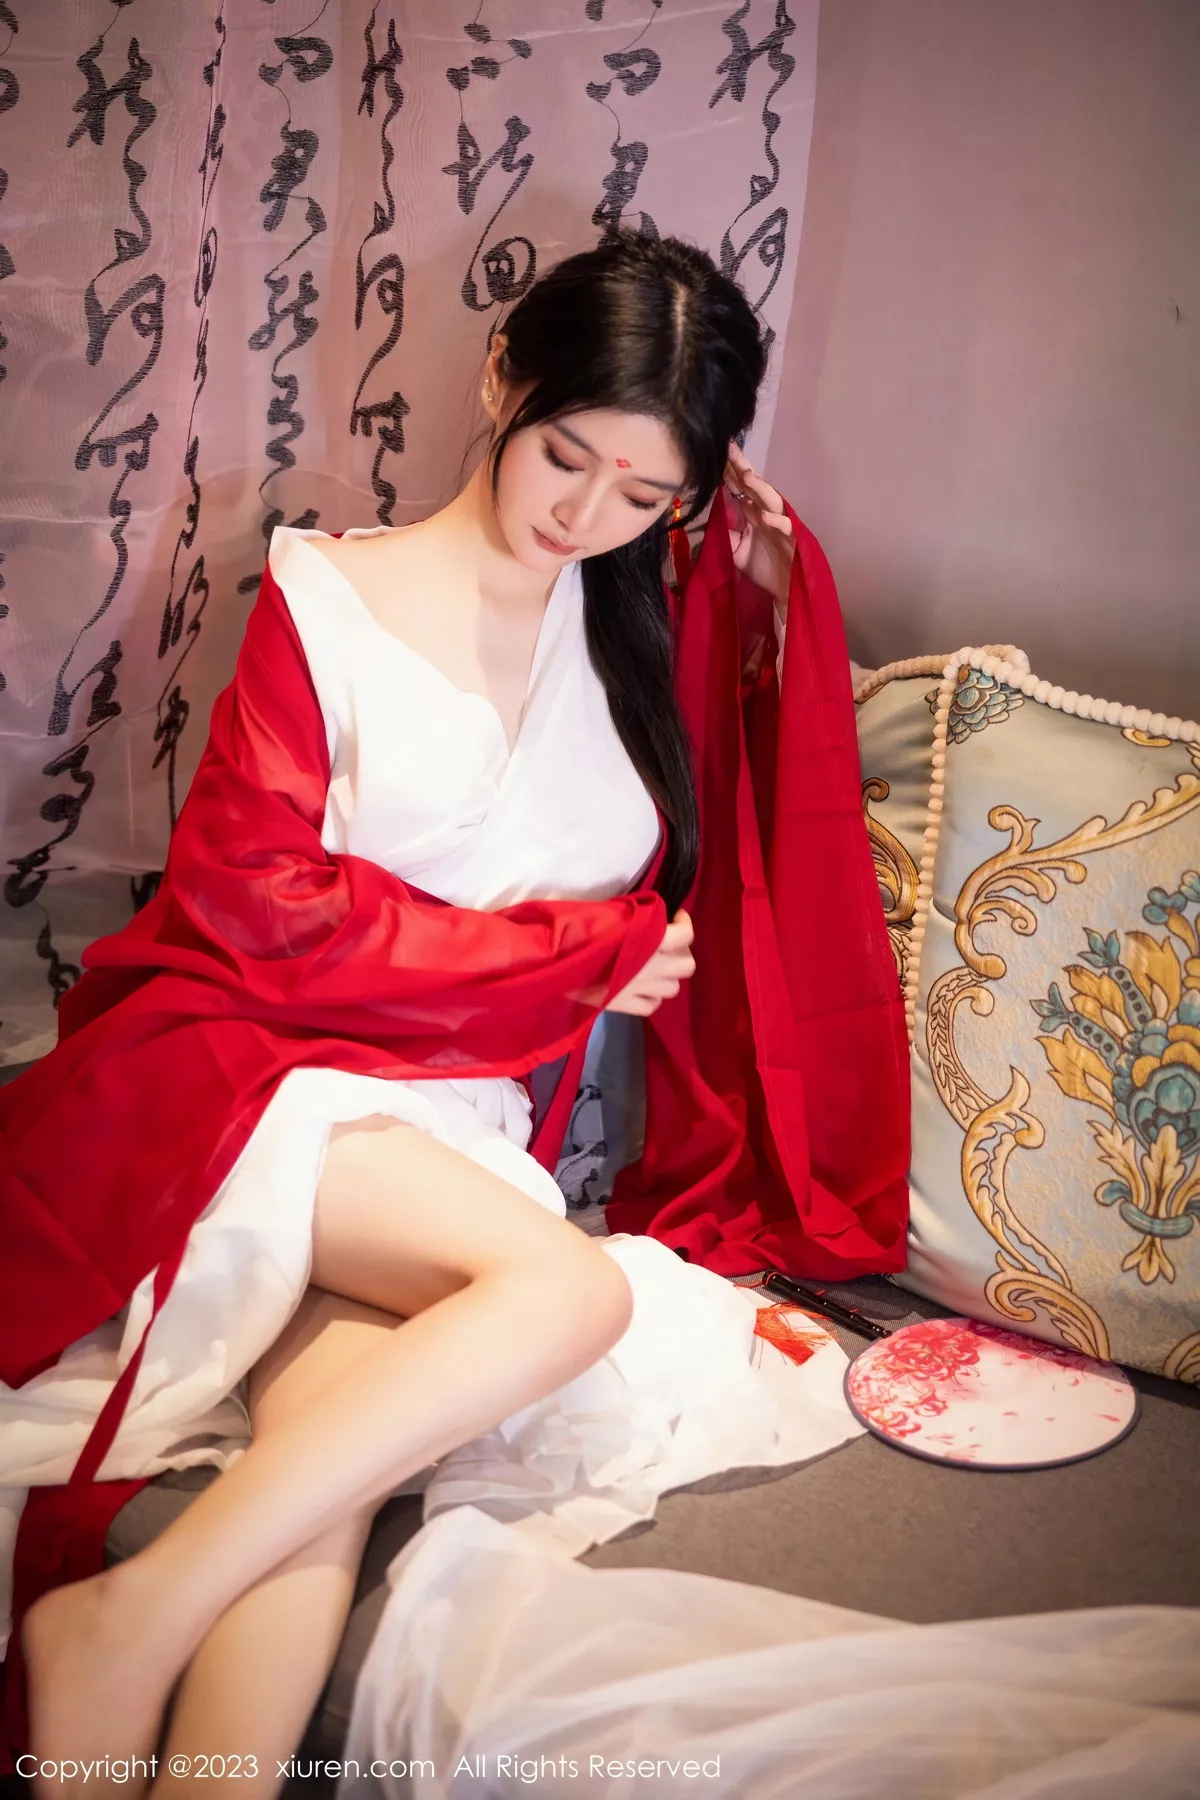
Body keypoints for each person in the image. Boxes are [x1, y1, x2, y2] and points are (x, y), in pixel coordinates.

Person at [0, 227, 909, 1797]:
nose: (586, 517)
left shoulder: (625, 629)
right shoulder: (327, 594)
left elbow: (765, 827)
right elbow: (253, 904)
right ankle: (121, 1620)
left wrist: (757, 582)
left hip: (452, 1130)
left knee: (322, 1489)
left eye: (645, 495)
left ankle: (150, 1699)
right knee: (573, 1294)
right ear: (503, 379)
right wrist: (572, 958)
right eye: (567, 457)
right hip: (256, 1071)